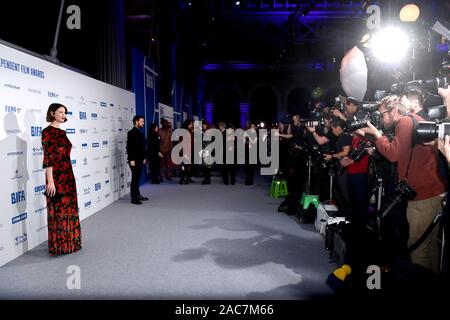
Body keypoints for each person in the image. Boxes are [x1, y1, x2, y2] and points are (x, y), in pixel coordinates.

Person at [363, 96, 447, 274]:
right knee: (429, 246)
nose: (382, 119)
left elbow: (393, 154)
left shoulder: (404, 122)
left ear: (394, 111)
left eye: (383, 114)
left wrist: (377, 136)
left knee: (418, 248)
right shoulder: (414, 121)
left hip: (423, 196)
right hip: (432, 192)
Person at [42, 103, 82, 256]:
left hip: (68, 175)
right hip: (56, 177)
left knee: (69, 209)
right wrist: (50, 181)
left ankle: (71, 243)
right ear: (52, 113)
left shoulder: (62, 132)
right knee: (58, 211)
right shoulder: (47, 132)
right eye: (60, 112)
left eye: (64, 112)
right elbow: (48, 158)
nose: (63, 114)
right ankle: (59, 245)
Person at [127, 115, 149, 204]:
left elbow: (143, 147)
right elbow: (130, 147)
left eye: (143, 122)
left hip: (140, 159)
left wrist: (144, 157)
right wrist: (131, 159)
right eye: (141, 121)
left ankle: (138, 194)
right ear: (136, 122)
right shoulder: (131, 133)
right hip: (134, 160)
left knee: (138, 178)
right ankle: (133, 197)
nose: (143, 123)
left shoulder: (141, 133)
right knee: (135, 178)